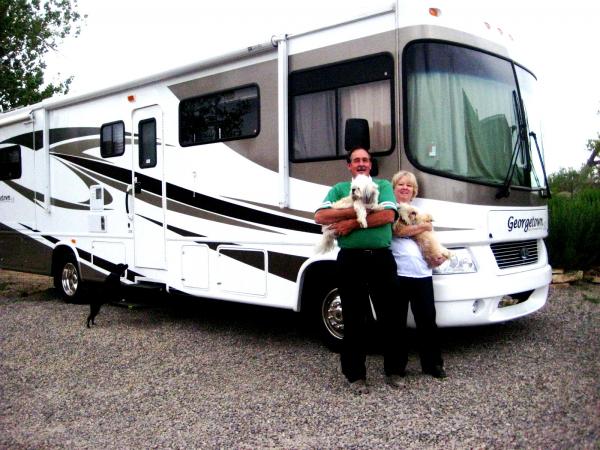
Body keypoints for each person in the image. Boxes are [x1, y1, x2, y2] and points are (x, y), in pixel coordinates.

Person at [315, 148, 404, 394]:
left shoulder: (383, 185)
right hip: (350, 260)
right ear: (349, 166)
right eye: (356, 160)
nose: (361, 163)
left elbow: (386, 214)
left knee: (392, 315)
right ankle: (355, 375)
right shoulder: (338, 190)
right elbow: (320, 216)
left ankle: (394, 370)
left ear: (371, 164)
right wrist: (356, 209)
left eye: (365, 160)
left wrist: (351, 223)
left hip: (381, 259)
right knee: (354, 318)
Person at [390, 170, 447, 379]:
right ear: (393, 188)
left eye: (409, 186)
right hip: (398, 274)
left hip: (422, 275)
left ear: (414, 191)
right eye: (401, 185)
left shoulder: (421, 211)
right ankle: (397, 368)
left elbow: (431, 240)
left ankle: (433, 364)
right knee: (397, 323)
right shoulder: (391, 210)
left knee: (428, 321)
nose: (405, 188)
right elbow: (397, 231)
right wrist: (423, 226)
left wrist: (437, 257)